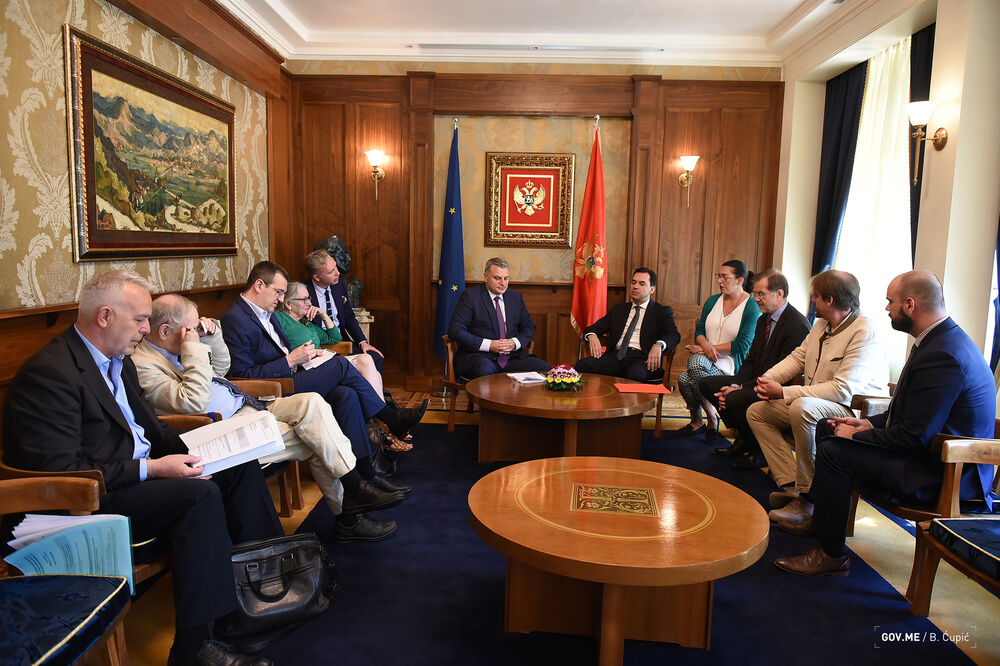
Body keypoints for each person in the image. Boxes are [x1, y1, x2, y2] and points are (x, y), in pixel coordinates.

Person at [1, 271, 283, 666]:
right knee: (197, 495)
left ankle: (265, 587)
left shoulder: (122, 362)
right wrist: (153, 469)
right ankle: (194, 648)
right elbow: (64, 472)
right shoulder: (50, 374)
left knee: (236, 466)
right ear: (104, 317)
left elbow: (150, 430)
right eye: (139, 320)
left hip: (136, 474)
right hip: (93, 496)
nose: (147, 329)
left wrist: (216, 443)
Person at [773, 270, 996, 577]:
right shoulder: (938, 340)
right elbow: (910, 413)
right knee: (828, 426)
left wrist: (859, 437)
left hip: (945, 474)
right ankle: (822, 521)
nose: (886, 308)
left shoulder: (943, 354)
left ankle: (831, 555)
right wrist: (866, 425)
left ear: (910, 304)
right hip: (928, 454)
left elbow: (913, 436)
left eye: (890, 302)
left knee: (835, 452)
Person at [133, 294, 404, 543]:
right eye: (190, 329)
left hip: (249, 405)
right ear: (165, 331)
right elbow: (191, 401)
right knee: (317, 436)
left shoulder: (179, 344)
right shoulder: (143, 366)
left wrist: (212, 338)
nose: (195, 333)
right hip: (223, 427)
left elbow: (223, 368)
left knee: (313, 403)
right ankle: (351, 504)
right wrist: (193, 349)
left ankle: (355, 493)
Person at [220, 262, 426, 473]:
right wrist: (291, 361)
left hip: (293, 374)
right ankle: (391, 418)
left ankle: (366, 471)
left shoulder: (266, 313)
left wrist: (304, 357)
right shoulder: (235, 319)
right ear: (259, 285)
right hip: (273, 389)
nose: (281, 299)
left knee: (346, 394)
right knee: (339, 365)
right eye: (279, 292)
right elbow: (242, 377)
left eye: (283, 294)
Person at [746, 270, 887, 511]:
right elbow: (797, 358)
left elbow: (843, 390)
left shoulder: (864, 331)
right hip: (815, 401)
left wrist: (784, 392)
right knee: (758, 412)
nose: (812, 300)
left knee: (802, 407)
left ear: (829, 300)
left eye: (816, 296)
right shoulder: (821, 324)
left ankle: (809, 497)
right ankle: (793, 484)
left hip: (854, 410)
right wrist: (766, 379)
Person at [698, 269, 810, 469]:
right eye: (755, 294)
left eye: (761, 294)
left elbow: (781, 372)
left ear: (779, 294)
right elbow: (751, 361)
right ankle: (745, 439)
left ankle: (760, 451)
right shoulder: (763, 320)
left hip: (775, 388)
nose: (756, 299)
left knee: (732, 398)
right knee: (707, 384)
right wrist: (734, 383)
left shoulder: (797, 325)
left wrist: (740, 389)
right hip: (754, 380)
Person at [673, 260, 760, 439]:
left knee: (689, 374)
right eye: (718, 276)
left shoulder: (751, 306)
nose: (720, 281)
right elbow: (699, 330)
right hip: (706, 358)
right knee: (686, 377)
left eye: (725, 277)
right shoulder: (712, 301)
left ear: (739, 280)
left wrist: (705, 349)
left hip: (731, 364)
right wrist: (705, 345)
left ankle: (707, 419)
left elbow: (742, 345)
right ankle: (703, 419)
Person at [276, 281, 385, 399]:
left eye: (309, 298)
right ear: (288, 304)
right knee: (365, 360)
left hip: (322, 363)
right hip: (307, 369)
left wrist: (323, 314)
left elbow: (335, 338)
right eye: (304, 299)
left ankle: (378, 415)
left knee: (376, 374)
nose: (309, 303)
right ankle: (384, 415)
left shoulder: (307, 323)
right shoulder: (280, 318)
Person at [447, 257, 550, 378]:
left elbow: (529, 327)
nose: (503, 283)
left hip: (511, 358)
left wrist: (514, 343)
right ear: (485, 277)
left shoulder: (515, 297)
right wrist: (489, 345)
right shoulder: (470, 297)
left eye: (506, 278)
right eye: (497, 278)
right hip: (479, 357)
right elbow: (456, 330)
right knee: (485, 369)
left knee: (543, 368)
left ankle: (519, 397)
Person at [575, 267, 680, 381]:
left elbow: (674, 335)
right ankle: (592, 399)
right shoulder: (619, 309)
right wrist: (592, 336)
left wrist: (659, 345)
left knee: (634, 374)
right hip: (615, 357)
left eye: (642, 284)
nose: (635, 286)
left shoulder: (662, 312)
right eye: (633, 282)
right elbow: (594, 328)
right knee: (582, 365)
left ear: (652, 289)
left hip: (642, 359)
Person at [304, 249, 384, 373]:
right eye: (331, 271)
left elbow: (349, 317)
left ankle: (371, 391)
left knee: (375, 358)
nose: (338, 273)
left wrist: (362, 342)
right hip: (321, 345)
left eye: (336, 267)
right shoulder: (304, 292)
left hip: (342, 340)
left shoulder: (338, 284)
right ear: (317, 277)